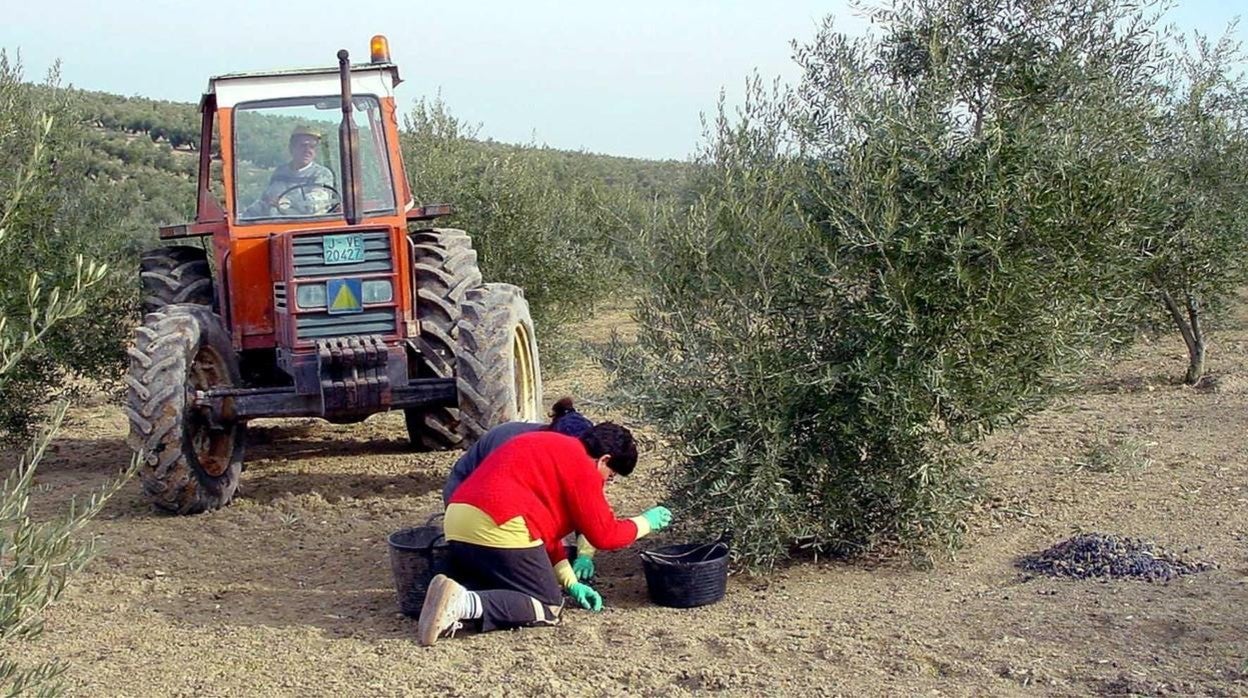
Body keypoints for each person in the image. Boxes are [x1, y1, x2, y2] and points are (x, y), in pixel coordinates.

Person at [416, 423, 673, 646]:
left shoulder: (548, 444)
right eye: (612, 475)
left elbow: (542, 535)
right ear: (604, 459)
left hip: (459, 518)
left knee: (504, 585)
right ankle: (461, 603)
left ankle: (449, 592)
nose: (607, 482)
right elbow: (605, 535)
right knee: (548, 606)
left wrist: (570, 582)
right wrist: (645, 522)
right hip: (499, 523)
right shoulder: (582, 465)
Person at [442, 397, 600, 582]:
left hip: (500, 504)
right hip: (467, 495)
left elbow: (585, 506)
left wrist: (584, 555)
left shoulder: (574, 459)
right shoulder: (513, 444)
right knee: (496, 561)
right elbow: (516, 507)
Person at [243, 125, 337, 218]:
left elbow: (313, 206)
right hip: (275, 226)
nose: (308, 150)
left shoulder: (321, 174)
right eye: (303, 146)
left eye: (312, 147)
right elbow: (266, 201)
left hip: (307, 227)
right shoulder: (280, 173)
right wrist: (245, 218)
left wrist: (283, 202)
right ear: (292, 148)